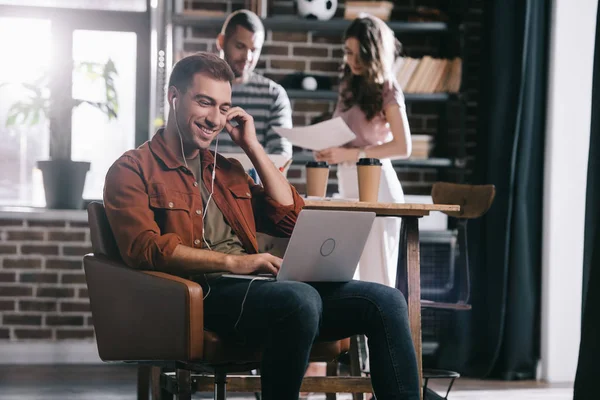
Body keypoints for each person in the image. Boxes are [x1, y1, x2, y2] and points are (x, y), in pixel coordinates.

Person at [103, 52, 419, 400]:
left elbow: (292, 217)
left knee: (386, 300)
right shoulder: (131, 169)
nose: (214, 119)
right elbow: (144, 249)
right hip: (199, 295)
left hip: (262, 291)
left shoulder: (227, 170)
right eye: (205, 103)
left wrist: (252, 147)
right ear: (174, 97)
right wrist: (236, 263)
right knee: (300, 299)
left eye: (224, 108)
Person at [315, 15, 412, 288]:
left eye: (361, 55)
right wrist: (326, 148)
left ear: (375, 54)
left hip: (378, 188)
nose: (353, 61)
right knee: (350, 280)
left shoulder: (388, 89)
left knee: (377, 279)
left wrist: (350, 155)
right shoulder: (348, 86)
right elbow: (343, 135)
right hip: (347, 187)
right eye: (348, 53)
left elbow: (403, 147)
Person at [215, 9, 293, 163]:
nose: (247, 58)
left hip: (254, 186)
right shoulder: (202, 88)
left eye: (254, 50)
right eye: (240, 46)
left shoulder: (274, 95)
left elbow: (281, 159)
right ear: (221, 42)